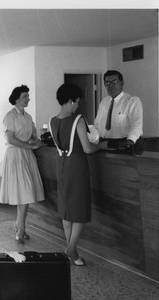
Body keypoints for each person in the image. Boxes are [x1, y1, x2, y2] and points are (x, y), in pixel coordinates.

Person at [50, 83, 107, 266]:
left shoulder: (53, 121)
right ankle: (71, 248)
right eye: (76, 102)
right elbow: (88, 148)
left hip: (61, 165)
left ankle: (73, 254)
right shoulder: (78, 120)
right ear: (69, 101)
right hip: (76, 166)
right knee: (80, 210)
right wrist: (103, 146)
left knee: (67, 210)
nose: (77, 106)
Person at [0, 85, 45, 243]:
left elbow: (31, 136)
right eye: (25, 96)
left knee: (25, 193)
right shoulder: (10, 116)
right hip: (16, 155)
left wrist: (36, 141)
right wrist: (30, 146)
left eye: (28, 96)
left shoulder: (28, 116)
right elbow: (10, 139)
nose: (28, 99)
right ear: (17, 98)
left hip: (26, 155)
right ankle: (21, 229)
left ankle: (19, 225)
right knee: (23, 194)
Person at [94, 70, 143, 149]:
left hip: (125, 144)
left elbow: (136, 126)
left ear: (122, 83)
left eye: (115, 82)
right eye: (108, 83)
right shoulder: (104, 101)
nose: (111, 86)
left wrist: (129, 144)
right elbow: (97, 124)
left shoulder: (132, 101)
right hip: (105, 144)